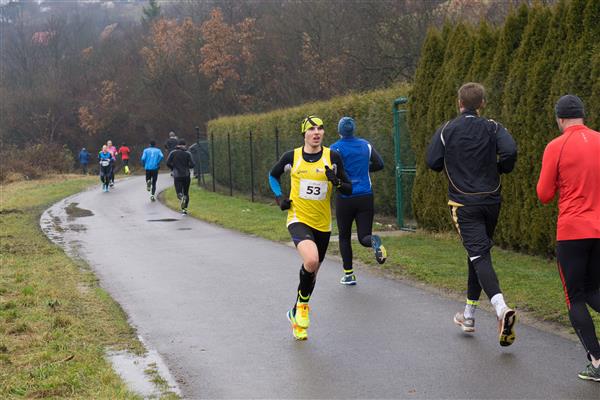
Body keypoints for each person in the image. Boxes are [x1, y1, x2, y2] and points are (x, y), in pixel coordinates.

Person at [426, 82, 518, 346]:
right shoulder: (493, 127)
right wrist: (501, 168)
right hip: (491, 200)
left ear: (460, 103)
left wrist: (453, 163)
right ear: (482, 104)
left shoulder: (447, 129)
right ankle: (469, 316)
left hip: (463, 203)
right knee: (477, 254)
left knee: (478, 254)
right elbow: (510, 151)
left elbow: (432, 162)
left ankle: (501, 309)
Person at [269, 115, 352, 340]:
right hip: (298, 218)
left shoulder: (332, 157)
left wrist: (336, 181)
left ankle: (295, 316)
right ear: (304, 134)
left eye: (320, 129)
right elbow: (273, 175)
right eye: (312, 129)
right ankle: (303, 307)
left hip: (322, 224)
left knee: (312, 274)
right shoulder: (292, 157)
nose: (316, 132)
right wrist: (279, 197)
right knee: (312, 260)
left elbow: (348, 188)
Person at [536, 94, 600, 382]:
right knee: (593, 291)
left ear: (559, 119)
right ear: (583, 115)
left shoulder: (556, 146)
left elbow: (544, 194)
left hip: (573, 230)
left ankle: (597, 361)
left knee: (574, 296)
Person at [330, 116, 386, 285]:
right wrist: (364, 169)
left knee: (344, 237)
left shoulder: (334, 148)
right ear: (354, 129)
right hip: (365, 196)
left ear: (339, 131)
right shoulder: (365, 145)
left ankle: (349, 275)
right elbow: (380, 164)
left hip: (345, 197)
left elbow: (331, 171)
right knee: (364, 237)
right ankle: (374, 242)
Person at [166, 139, 195, 214]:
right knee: (186, 192)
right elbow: (192, 164)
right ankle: (184, 209)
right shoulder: (188, 153)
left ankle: (181, 197)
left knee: (179, 192)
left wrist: (173, 168)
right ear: (185, 145)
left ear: (177, 145)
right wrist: (187, 167)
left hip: (177, 175)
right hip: (186, 175)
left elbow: (168, 163)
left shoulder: (173, 153)